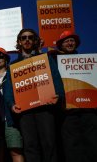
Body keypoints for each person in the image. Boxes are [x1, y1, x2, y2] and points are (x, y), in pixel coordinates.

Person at [3, 28, 65, 162]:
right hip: (25, 112)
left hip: (45, 108)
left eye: (30, 37)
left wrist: (58, 95)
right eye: (23, 38)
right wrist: (12, 104)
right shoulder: (13, 66)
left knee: (49, 144)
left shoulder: (45, 59)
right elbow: (8, 89)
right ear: (19, 42)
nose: (27, 40)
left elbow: (56, 78)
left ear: (35, 40)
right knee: (30, 146)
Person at [49, 30, 97, 162]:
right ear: (60, 45)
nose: (70, 43)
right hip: (67, 111)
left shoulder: (89, 61)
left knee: (92, 143)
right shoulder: (54, 61)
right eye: (66, 41)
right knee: (72, 146)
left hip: (89, 110)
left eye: (72, 40)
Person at [0, 48, 24, 162]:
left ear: (6, 59)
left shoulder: (14, 74)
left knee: (15, 151)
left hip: (10, 119)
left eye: (1, 57)